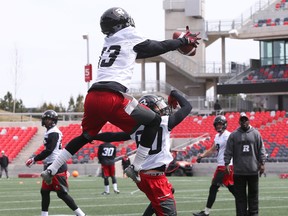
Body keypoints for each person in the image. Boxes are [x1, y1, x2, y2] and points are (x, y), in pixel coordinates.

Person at [40, 7, 201, 184]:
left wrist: (178, 44)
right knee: (154, 121)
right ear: (124, 22)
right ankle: (136, 167)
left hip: (92, 97)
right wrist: (182, 41)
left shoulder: (109, 41)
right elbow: (159, 46)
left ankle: (51, 169)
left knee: (85, 136)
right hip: (114, 95)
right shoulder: (129, 34)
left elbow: (144, 51)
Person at [94, 90, 192, 215]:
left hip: (143, 177)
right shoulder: (164, 122)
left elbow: (113, 136)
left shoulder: (136, 128)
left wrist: (93, 136)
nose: (161, 108)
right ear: (149, 110)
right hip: (155, 179)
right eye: (157, 106)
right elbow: (187, 106)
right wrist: (174, 93)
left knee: (162, 196)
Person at [25, 110, 86, 216]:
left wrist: (34, 159)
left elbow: (49, 150)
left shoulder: (53, 132)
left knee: (62, 194)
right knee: (44, 191)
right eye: (45, 119)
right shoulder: (50, 131)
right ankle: (44, 214)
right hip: (51, 165)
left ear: (53, 121)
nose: (45, 121)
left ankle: (81, 214)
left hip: (56, 165)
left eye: (48, 119)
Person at [224, 112, 266, 216]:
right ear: (239, 121)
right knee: (240, 197)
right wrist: (226, 163)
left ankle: (254, 214)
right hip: (239, 171)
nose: (244, 122)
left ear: (248, 120)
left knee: (253, 195)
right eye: (242, 120)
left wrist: (262, 163)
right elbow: (228, 150)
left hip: (252, 170)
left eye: (245, 120)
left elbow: (261, 149)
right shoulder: (233, 135)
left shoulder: (256, 134)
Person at [193, 115, 236, 216]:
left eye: (220, 124)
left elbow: (235, 149)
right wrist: (202, 156)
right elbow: (212, 149)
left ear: (225, 124)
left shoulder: (229, 136)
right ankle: (246, 206)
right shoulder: (218, 136)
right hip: (221, 165)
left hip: (226, 166)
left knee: (213, 188)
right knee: (231, 187)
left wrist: (229, 163)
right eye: (216, 124)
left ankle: (206, 212)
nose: (218, 126)